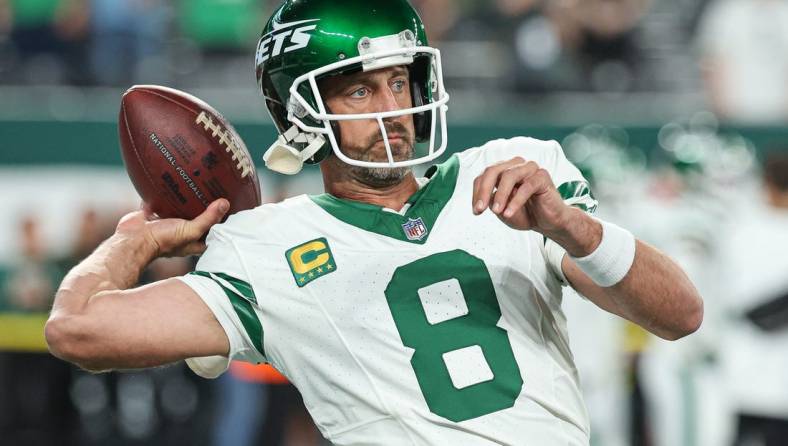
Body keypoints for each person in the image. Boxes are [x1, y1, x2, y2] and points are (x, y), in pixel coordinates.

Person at [45, 1, 703, 444]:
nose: (393, 108)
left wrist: (573, 228)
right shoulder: (263, 248)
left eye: (401, 83)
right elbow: (77, 331)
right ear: (302, 112)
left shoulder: (516, 171)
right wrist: (130, 245)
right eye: (360, 89)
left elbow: (680, 315)